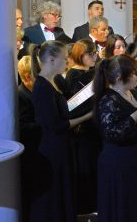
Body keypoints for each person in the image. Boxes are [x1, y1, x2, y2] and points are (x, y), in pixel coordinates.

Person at [93, 55, 137, 222]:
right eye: (132, 73)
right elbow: (112, 132)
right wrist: (136, 116)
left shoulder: (135, 93)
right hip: (123, 168)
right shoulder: (108, 99)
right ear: (119, 78)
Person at [29, 40, 92, 222]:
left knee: (64, 194)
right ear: (51, 59)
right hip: (52, 151)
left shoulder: (53, 82)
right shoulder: (42, 87)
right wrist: (87, 116)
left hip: (60, 148)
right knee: (55, 198)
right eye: (65, 59)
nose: (68, 63)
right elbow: (56, 125)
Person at [65, 39, 101, 214]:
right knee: (85, 168)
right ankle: (85, 209)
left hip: (94, 127)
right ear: (82, 55)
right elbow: (73, 105)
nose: (96, 56)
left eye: (96, 53)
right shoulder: (73, 74)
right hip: (82, 130)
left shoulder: (92, 72)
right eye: (92, 53)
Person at [17, 56, 39, 221]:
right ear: (27, 76)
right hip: (30, 152)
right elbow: (23, 127)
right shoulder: (21, 95)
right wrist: (44, 123)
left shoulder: (32, 92)